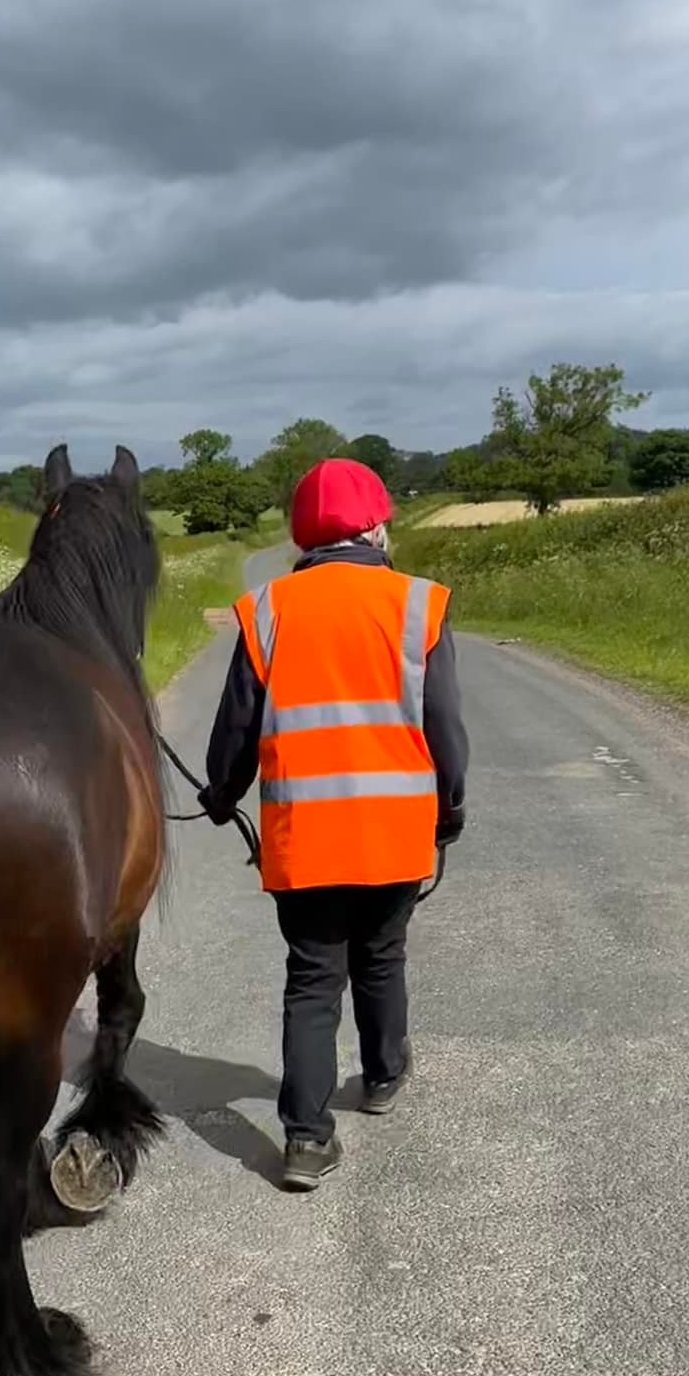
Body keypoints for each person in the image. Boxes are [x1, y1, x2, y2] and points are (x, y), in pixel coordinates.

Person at [198, 457, 469, 1192]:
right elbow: (444, 724)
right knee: (382, 956)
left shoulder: (268, 610)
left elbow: (236, 729)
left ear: (304, 534)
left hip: (305, 838)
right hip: (393, 831)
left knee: (312, 982)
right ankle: (382, 1076)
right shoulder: (419, 605)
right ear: (377, 525)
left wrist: (222, 794)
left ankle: (307, 1141)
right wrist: (451, 808)